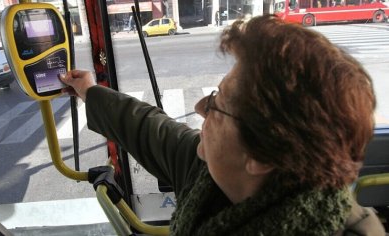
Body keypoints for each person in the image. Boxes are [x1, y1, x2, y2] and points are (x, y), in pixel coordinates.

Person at [59, 15, 385, 235]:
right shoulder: (211, 173)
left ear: (262, 153)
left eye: (218, 104)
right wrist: (89, 90)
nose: (201, 107)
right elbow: (150, 130)